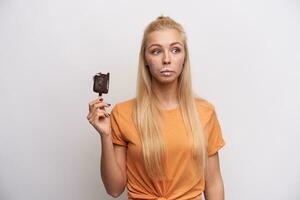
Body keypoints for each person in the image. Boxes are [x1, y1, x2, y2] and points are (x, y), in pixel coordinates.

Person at [87, 16, 225, 200]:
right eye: (156, 51)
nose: (167, 59)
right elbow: (114, 189)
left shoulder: (205, 113)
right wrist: (105, 135)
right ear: (145, 58)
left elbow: (214, 183)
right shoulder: (123, 113)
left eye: (175, 50)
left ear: (184, 58)